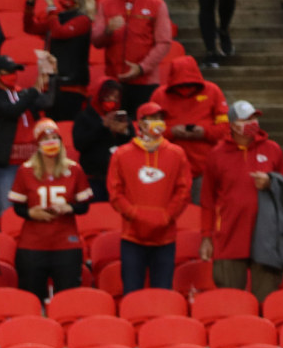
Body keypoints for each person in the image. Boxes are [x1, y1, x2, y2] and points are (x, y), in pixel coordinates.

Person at [200, 101, 283, 303]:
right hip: (230, 235)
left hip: (266, 236)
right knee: (231, 300)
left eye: (254, 118)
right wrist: (206, 236)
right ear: (233, 125)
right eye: (246, 119)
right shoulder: (217, 155)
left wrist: (271, 182)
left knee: (267, 300)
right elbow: (207, 200)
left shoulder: (272, 149)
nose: (252, 122)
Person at [108, 102, 191, 293]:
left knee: (163, 294)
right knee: (131, 293)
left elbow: (183, 191)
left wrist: (167, 216)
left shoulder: (177, 154)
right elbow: (115, 192)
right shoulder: (122, 155)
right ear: (141, 123)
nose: (158, 123)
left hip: (165, 238)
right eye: (153, 118)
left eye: (160, 118)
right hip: (132, 237)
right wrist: (135, 214)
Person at [10, 119, 93, 300]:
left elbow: (84, 206)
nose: (51, 142)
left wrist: (68, 207)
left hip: (65, 243)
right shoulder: (26, 171)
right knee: (31, 300)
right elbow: (18, 207)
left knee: (68, 300)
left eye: (55, 137)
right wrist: (32, 213)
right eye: (45, 138)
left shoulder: (74, 169)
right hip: (33, 244)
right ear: (37, 143)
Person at [0, 55, 56, 213]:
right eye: (8, 71)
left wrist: (51, 75)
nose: (13, 75)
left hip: (31, 162)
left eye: (15, 71)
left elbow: (48, 102)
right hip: (4, 164)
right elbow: (11, 111)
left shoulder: (23, 94)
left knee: (35, 209)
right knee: (7, 212)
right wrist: (34, 90)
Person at [151, 56, 229, 201]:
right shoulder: (159, 95)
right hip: (168, 168)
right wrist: (171, 132)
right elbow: (148, 131)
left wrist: (204, 132)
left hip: (205, 168)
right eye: (180, 85)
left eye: (189, 85)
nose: (185, 89)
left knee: (203, 215)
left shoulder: (213, 91)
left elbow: (225, 129)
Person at [90, 0, 171, 112]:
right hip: (114, 82)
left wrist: (142, 68)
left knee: (144, 126)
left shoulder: (156, 4)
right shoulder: (106, 4)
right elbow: (96, 40)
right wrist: (107, 31)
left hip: (145, 82)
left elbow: (164, 43)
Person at [25, 0, 97, 119]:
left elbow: (60, 32)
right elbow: (30, 27)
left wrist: (51, 8)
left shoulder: (83, 20)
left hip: (72, 87)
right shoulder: (57, 17)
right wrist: (30, 3)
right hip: (53, 84)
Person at [73, 79, 134, 203]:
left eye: (115, 97)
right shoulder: (84, 117)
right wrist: (102, 126)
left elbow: (133, 141)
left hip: (120, 178)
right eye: (108, 97)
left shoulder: (121, 117)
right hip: (94, 178)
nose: (112, 101)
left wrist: (124, 132)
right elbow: (79, 144)